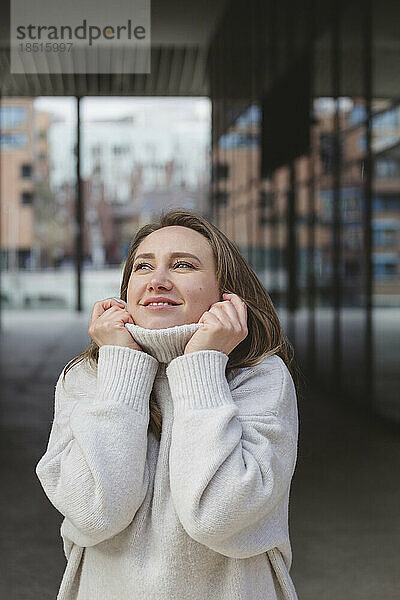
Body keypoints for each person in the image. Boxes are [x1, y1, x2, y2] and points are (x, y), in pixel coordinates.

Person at [35, 209, 300, 600]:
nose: (157, 281)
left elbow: (217, 515)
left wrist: (201, 365)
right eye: (143, 267)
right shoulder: (86, 378)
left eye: (182, 265)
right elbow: (95, 512)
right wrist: (122, 367)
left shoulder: (261, 378)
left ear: (225, 293)